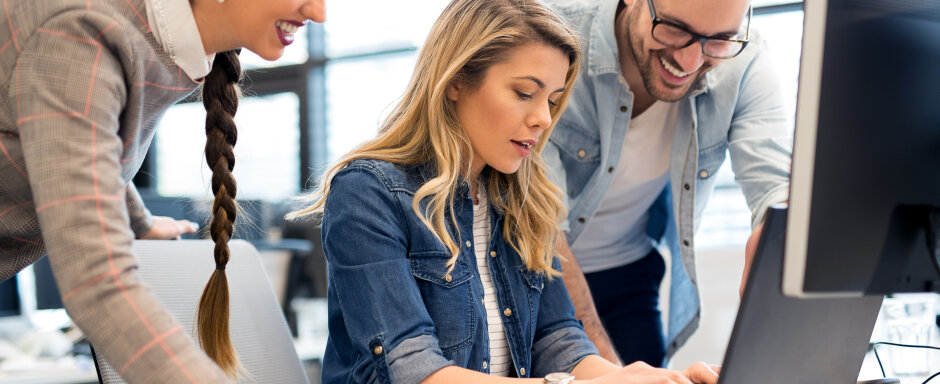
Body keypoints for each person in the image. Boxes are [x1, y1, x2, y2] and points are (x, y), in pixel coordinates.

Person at [290, 0, 720, 383]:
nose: (543, 119)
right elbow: (414, 370)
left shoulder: (523, 200)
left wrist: (644, 379)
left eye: (552, 100)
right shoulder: (368, 193)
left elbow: (559, 342)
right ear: (455, 80)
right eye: (524, 93)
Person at [0, 0, 325, 382]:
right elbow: (96, 284)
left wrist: (140, 222)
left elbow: (81, 144)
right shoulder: (82, 35)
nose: (318, 13)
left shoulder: (144, 41)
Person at [541, 0, 792, 367]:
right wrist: (610, 369)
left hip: (630, 273)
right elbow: (543, 230)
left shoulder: (745, 59)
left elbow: (776, 185)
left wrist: (778, 238)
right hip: (536, 269)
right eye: (674, 29)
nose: (690, 63)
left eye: (719, 40)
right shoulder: (551, 40)